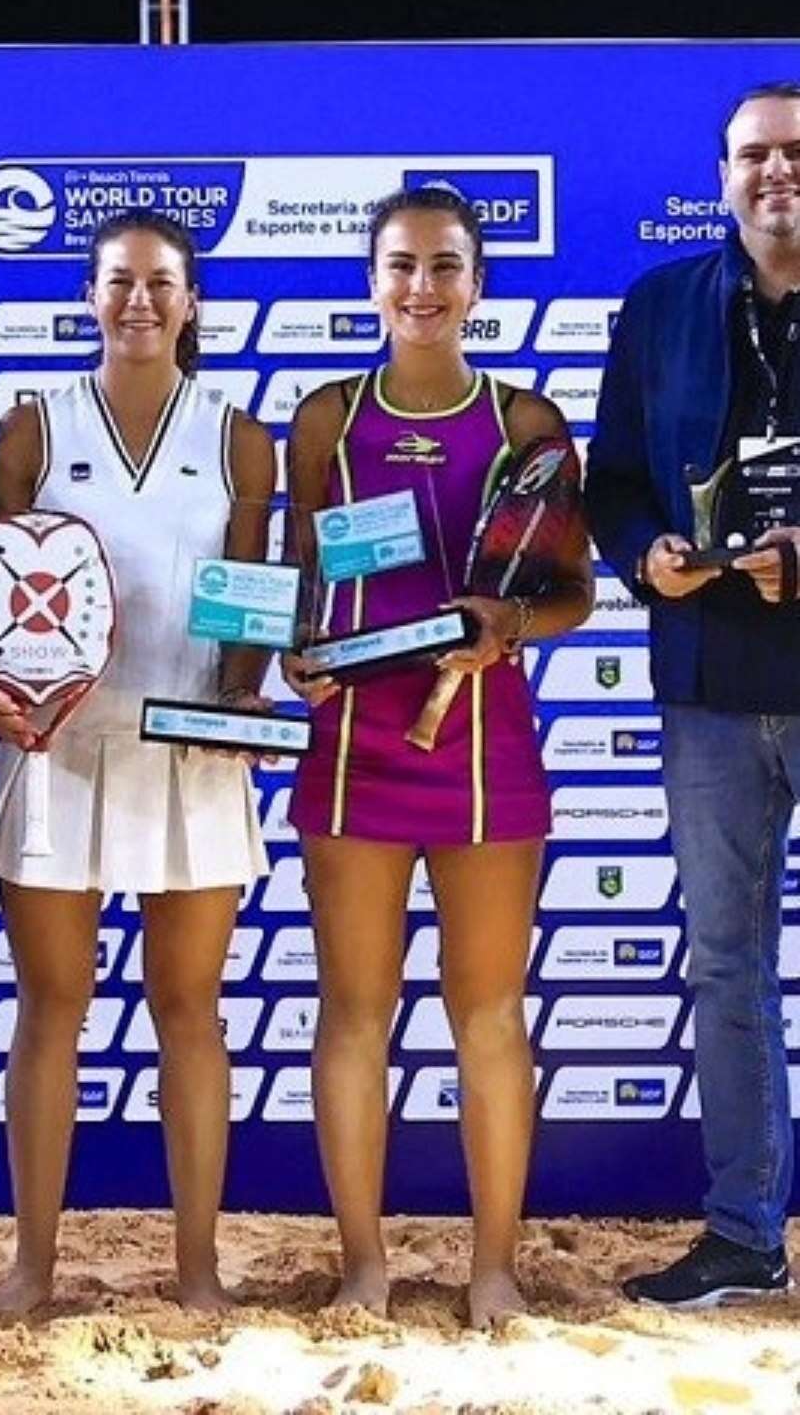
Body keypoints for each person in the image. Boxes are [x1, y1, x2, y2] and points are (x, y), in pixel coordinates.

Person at [283, 184, 592, 1328]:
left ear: (479, 285)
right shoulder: (323, 420)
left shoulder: (526, 423)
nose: (423, 288)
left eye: (446, 267)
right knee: (355, 1012)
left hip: (485, 746)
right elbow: (300, 591)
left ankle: (494, 1270)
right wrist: (294, 657)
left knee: (489, 1015)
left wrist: (508, 627)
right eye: (402, 267)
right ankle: (364, 1266)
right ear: (371, 281)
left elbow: (573, 592)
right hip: (358, 747)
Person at [0, 210, 275, 1314]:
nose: (138, 301)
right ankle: (32, 1266)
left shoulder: (240, 434)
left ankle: (197, 1268)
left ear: (191, 301)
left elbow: (250, 601)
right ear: (90, 297)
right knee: (52, 1006)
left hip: (193, 748)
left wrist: (246, 695)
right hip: (55, 754)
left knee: (188, 1009)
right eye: (118, 283)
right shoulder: (31, 429)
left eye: (160, 283)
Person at [587, 82, 800, 1309]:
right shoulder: (663, 307)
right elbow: (615, 483)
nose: (775, 172)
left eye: (793, 153)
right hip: (711, 687)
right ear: (722, 174)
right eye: (753, 155)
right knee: (729, 964)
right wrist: (644, 556)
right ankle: (745, 1233)